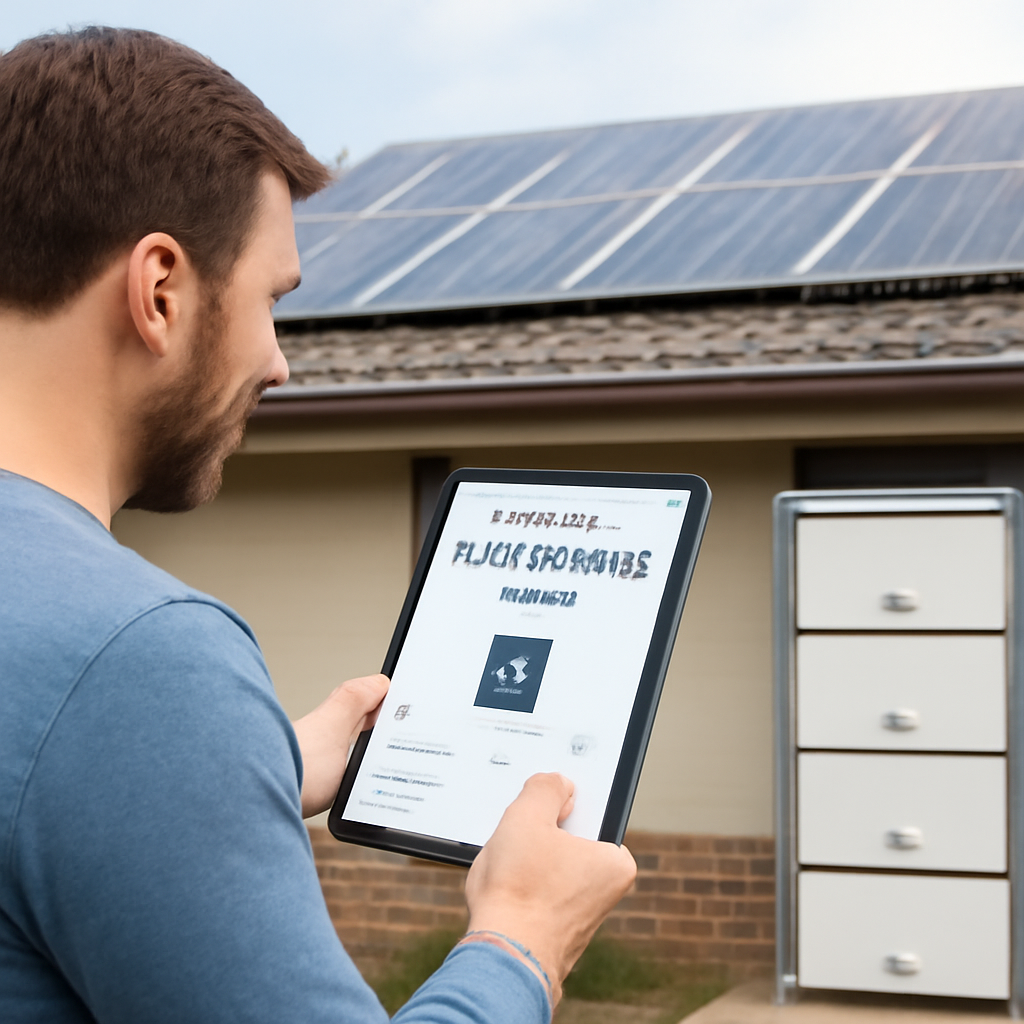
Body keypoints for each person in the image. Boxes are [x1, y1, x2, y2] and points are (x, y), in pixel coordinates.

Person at [0, 26, 636, 1024]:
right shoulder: (136, 658)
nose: (279, 361)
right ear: (159, 292)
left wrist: (250, 764)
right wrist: (521, 938)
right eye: (271, 300)